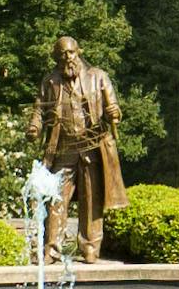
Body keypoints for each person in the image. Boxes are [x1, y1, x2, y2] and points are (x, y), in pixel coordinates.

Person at [26, 34, 124, 258]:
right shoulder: (50, 81)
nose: (67, 58)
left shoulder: (98, 77)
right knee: (56, 198)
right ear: (56, 59)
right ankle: (52, 248)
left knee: (92, 199)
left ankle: (90, 247)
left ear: (78, 52)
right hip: (63, 149)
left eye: (70, 53)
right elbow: (39, 110)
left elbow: (114, 108)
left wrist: (114, 113)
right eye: (61, 55)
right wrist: (34, 127)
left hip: (92, 147)